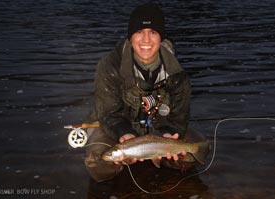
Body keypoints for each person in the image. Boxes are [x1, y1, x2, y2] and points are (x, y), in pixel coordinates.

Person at [84, 4, 210, 182]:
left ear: (161, 37)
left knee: (193, 153)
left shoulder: (176, 73)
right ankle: (120, 178)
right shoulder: (110, 66)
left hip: (158, 132)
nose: (146, 40)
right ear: (130, 36)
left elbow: (179, 117)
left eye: (152, 32)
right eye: (139, 32)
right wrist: (124, 133)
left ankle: (159, 161)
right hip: (117, 129)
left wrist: (169, 133)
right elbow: (109, 113)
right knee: (98, 161)